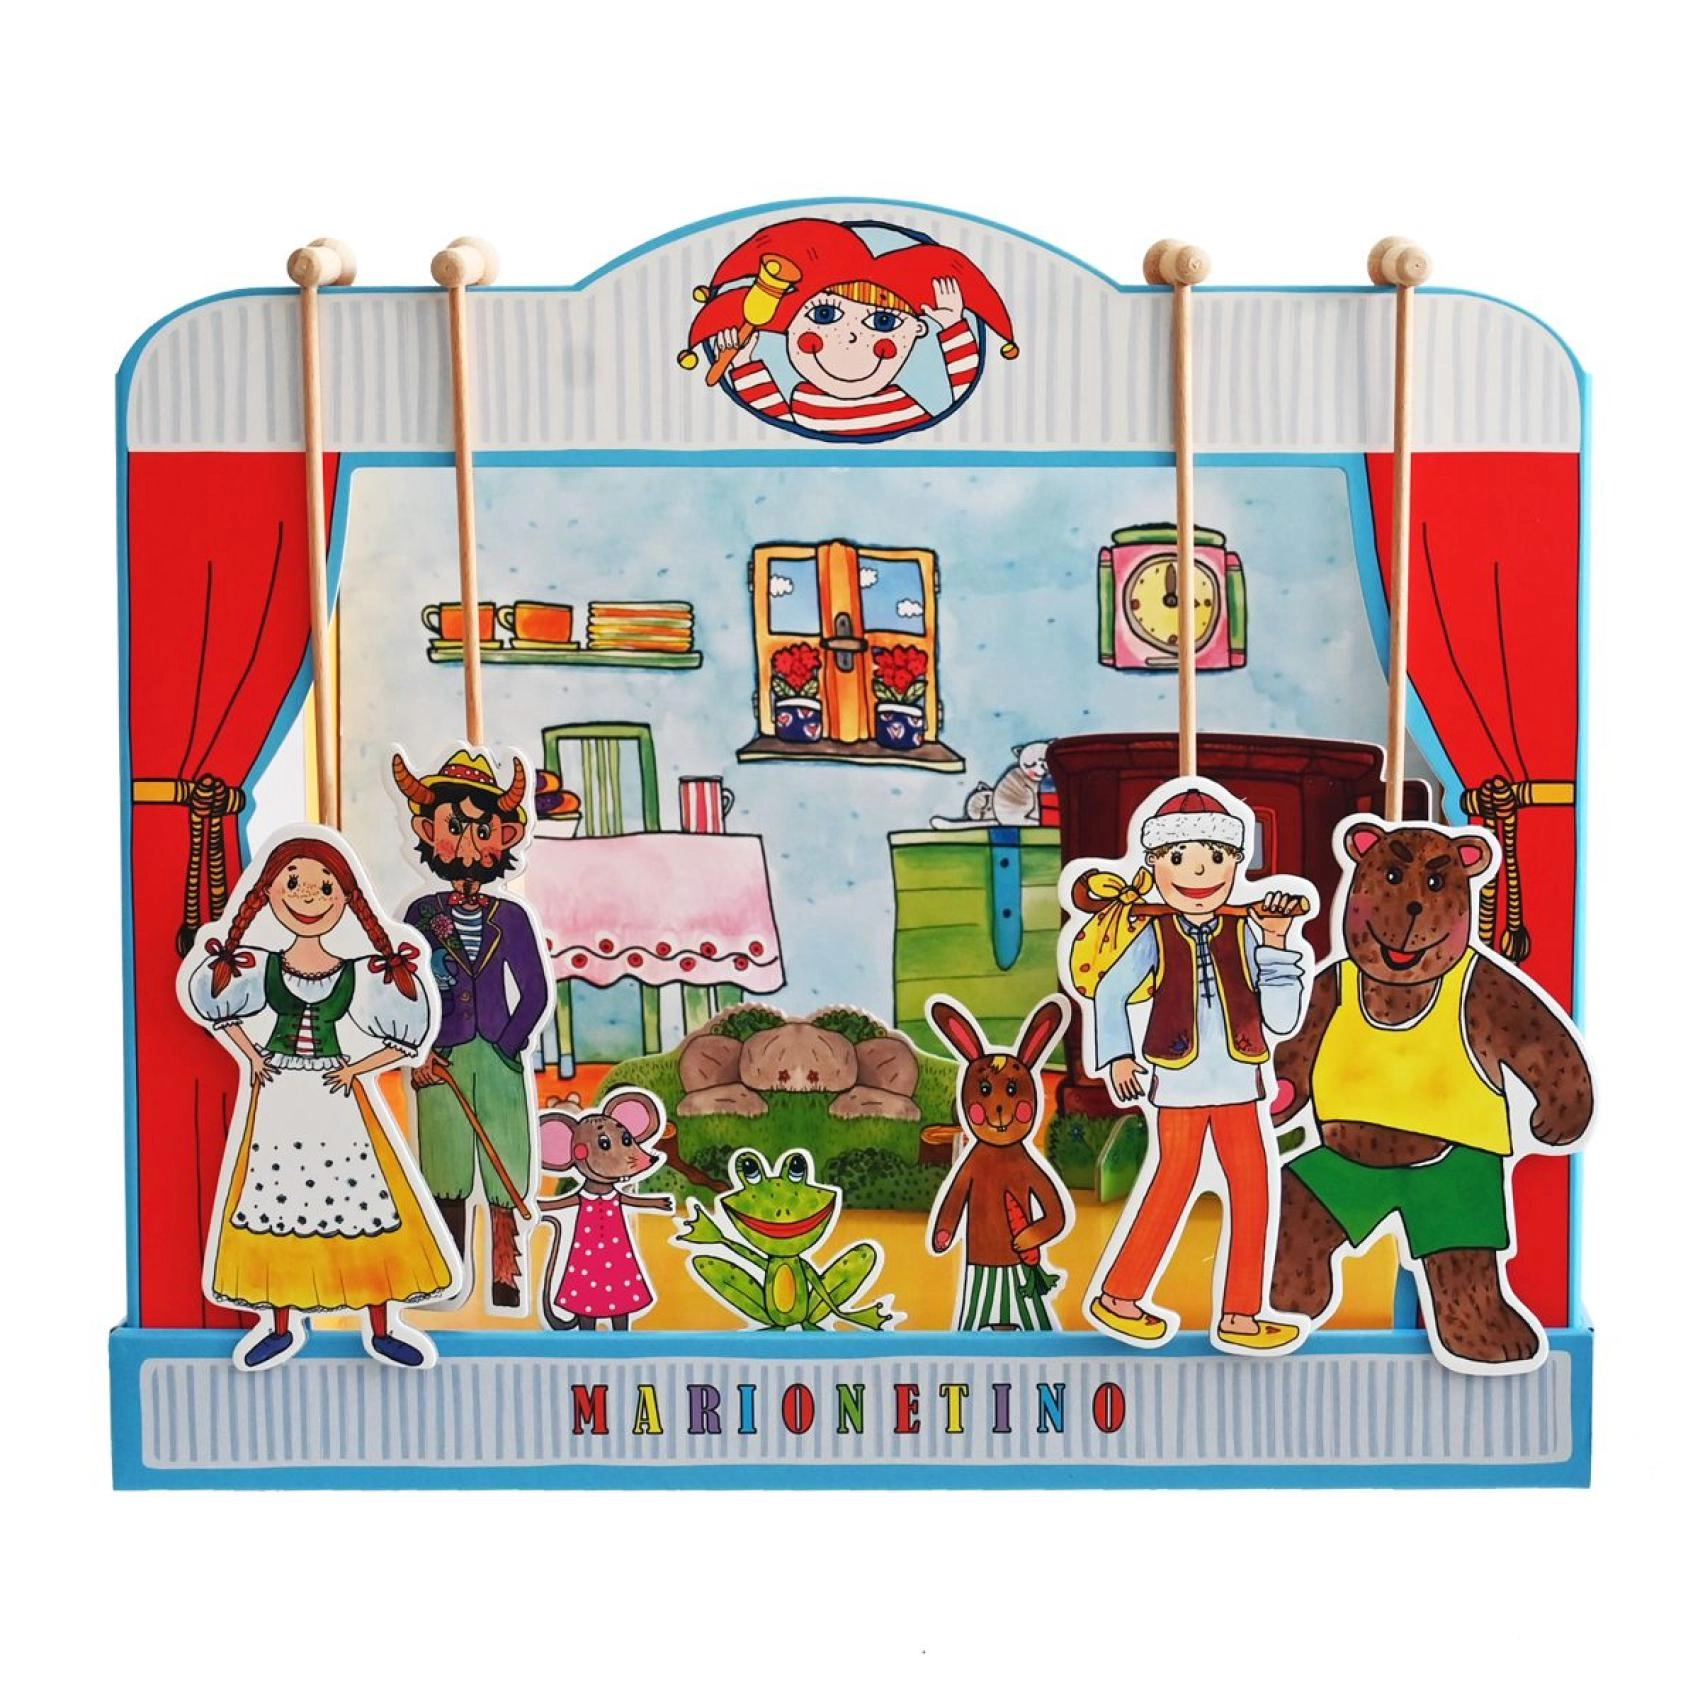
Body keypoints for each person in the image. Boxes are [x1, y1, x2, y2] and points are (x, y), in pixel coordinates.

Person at [181, 830, 458, 1371]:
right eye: (293, 884)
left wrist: (357, 1069)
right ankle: (280, 1324)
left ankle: (381, 1326)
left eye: (325, 886)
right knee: (275, 1203)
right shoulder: (259, 966)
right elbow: (220, 1009)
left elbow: (403, 1038)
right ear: (268, 893)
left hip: (339, 1099)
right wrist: (253, 1056)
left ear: (346, 897)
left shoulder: (360, 972)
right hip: (279, 1097)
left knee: (364, 1203)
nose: (309, 896)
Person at [1062, 780, 1313, 1353]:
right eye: (1178, 857)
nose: (1198, 871)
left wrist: (1277, 942)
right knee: (1171, 1185)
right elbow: (1109, 992)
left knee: (1255, 1191)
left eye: (1216, 856)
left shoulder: (1247, 931)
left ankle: (1242, 1315)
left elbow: (1281, 1017)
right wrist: (1117, 1057)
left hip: (1240, 1083)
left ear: (1235, 864)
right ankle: (1119, 1297)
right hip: (1178, 1083)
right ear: (1154, 864)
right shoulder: (1155, 933)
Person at [393, 747, 552, 1310]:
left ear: (505, 837)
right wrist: (420, 1052)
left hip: (499, 1058)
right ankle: (449, 1275)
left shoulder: (512, 917)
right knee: (445, 1164)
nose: (466, 843)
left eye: (481, 830)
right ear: (426, 832)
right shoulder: (420, 915)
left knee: (506, 1160)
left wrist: (508, 1046)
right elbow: (405, 988)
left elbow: (534, 991)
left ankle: (506, 1278)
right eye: (453, 827)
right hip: (441, 1058)